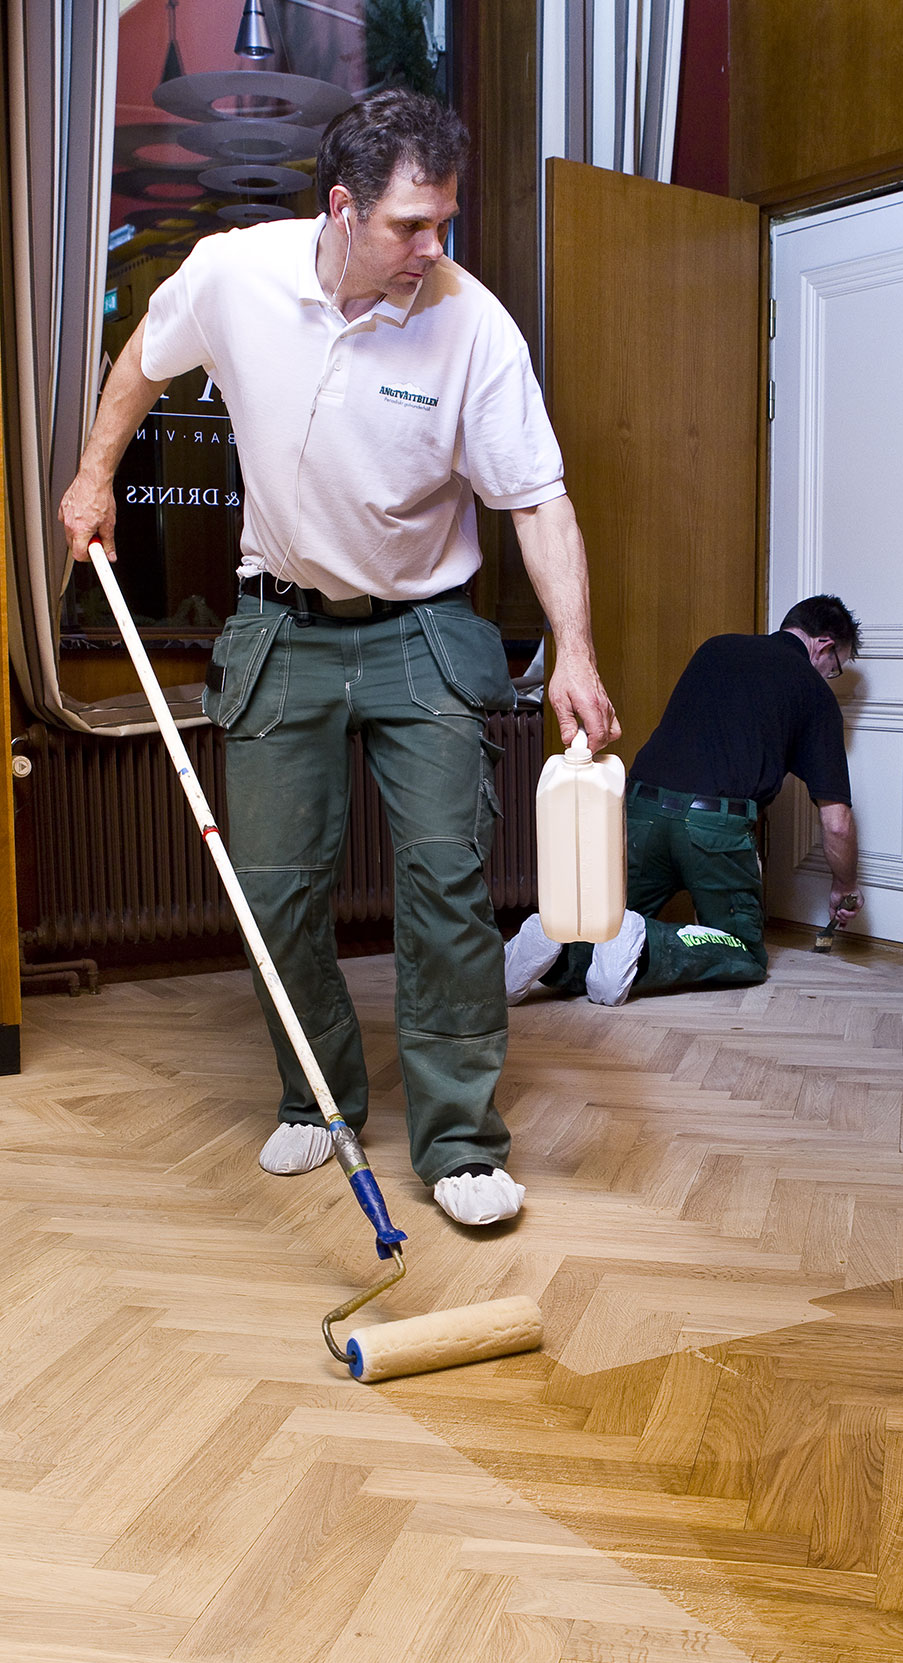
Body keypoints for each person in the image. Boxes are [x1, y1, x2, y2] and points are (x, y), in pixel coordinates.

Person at [60, 90, 618, 1228]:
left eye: (446, 221)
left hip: (424, 628)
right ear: (342, 208)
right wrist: (94, 475)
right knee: (272, 887)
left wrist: (576, 650)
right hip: (280, 625)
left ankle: (459, 1142)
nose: (434, 246)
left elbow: (537, 499)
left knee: (447, 886)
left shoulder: (473, 325)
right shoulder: (233, 275)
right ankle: (316, 1099)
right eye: (411, 224)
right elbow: (142, 359)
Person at [505, 595, 861, 1007]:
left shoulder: (717, 647)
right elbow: (837, 822)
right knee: (745, 952)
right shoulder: (813, 692)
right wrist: (844, 884)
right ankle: (643, 944)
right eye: (834, 668)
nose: (829, 676)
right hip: (714, 828)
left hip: (639, 810)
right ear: (823, 645)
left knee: (604, 926)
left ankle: (554, 942)